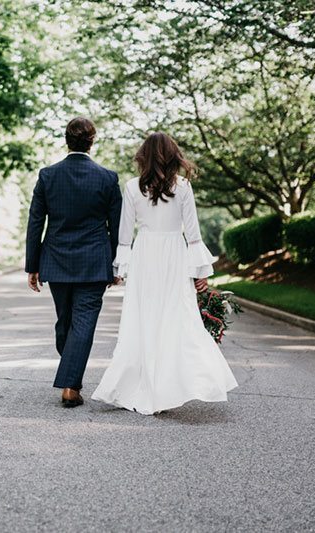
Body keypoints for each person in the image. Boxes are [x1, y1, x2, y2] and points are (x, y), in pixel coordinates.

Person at [91, 132, 238, 415]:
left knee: (143, 318)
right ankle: (169, 386)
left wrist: (122, 267)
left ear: (143, 156)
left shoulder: (133, 187)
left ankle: (145, 385)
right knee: (176, 316)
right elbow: (193, 234)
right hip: (174, 253)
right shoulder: (182, 186)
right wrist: (200, 272)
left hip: (145, 252)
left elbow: (124, 235)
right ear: (173, 156)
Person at [25, 117, 123, 408]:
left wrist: (33, 265)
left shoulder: (48, 176)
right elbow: (117, 228)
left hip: (56, 260)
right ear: (92, 142)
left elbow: (35, 223)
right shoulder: (107, 178)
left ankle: (71, 385)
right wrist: (116, 264)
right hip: (94, 262)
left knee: (70, 321)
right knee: (74, 324)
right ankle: (71, 374)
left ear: (67, 140)